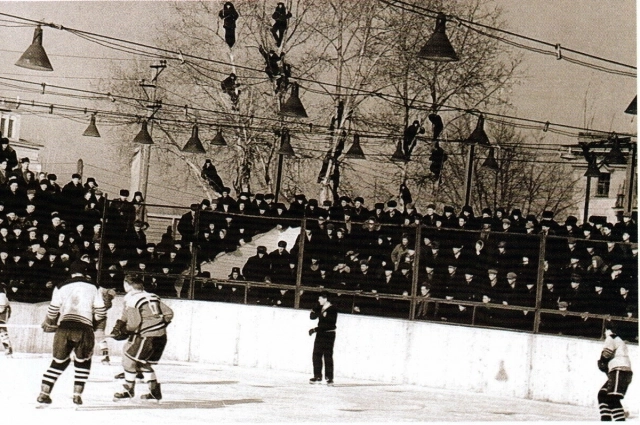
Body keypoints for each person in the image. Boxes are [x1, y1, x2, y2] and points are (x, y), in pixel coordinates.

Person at [37, 262, 107, 405]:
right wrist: (95, 324)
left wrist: (49, 323)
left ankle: (44, 394)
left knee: (58, 361)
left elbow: (52, 311)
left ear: (71, 272)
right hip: (84, 327)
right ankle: (76, 396)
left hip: (64, 327)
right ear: (85, 272)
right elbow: (101, 312)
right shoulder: (94, 287)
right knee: (83, 361)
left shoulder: (60, 286)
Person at [112, 274, 174, 401]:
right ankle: (154, 391)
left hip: (147, 336)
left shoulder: (132, 300)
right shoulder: (152, 296)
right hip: (160, 336)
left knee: (128, 360)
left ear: (127, 285)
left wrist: (124, 330)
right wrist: (159, 324)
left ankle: (128, 390)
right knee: (141, 363)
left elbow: (133, 324)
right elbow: (169, 313)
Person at [597, 321, 633, 421]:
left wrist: (601, 361)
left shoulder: (611, 338)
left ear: (607, 330)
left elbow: (606, 354)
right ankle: (606, 420)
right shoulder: (618, 340)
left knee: (613, 399)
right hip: (620, 371)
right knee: (602, 395)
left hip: (619, 371)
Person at [308, 291, 337, 386]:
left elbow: (328, 325)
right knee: (316, 355)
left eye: (320, 298)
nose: (318, 300)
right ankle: (318, 376)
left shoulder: (332, 309)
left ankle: (329, 378)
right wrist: (314, 308)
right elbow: (312, 317)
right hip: (320, 334)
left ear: (325, 299)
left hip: (328, 334)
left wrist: (315, 329)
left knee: (327, 356)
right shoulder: (321, 307)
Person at [0, 283, 13, 356]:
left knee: (1, 328)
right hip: (3, 307)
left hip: (3, 310)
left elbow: (1, 308)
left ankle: (8, 348)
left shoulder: (1, 292)